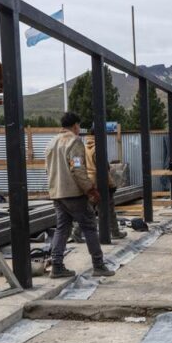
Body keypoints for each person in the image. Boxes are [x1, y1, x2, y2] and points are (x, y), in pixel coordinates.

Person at [45, 112, 116, 279]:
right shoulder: (74, 142)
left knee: (62, 229)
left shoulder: (52, 142)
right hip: (74, 194)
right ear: (76, 125)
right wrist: (90, 190)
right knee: (90, 227)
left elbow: (48, 170)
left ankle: (57, 266)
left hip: (57, 193)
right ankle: (98, 265)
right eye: (78, 126)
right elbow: (77, 169)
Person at [73, 127, 127, 242]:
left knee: (88, 209)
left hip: (89, 182)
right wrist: (111, 185)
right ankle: (115, 232)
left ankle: (77, 231)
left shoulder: (84, 147)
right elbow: (104, 169)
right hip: (100, 183)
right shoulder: (98, 149)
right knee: (110, 207)